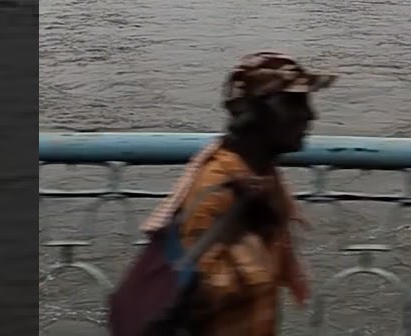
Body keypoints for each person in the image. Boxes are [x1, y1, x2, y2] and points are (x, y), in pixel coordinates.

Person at [139, 51, 334, 336]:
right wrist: (251, 231)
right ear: (257, 114)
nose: (309, 115)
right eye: (294, 103)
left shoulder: (261, 180)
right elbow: (194, 295)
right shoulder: (219, 188)